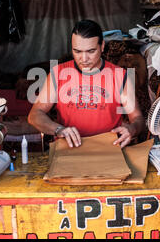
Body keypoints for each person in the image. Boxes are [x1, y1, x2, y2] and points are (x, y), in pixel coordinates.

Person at [28, 19, 145, 148]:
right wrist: (58, 129)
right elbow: (35, 115)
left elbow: (138, 119)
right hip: (69, 148)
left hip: (109, 149)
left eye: (90, 51)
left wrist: (132, 129)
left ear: (102, 47)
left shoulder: (119, 75)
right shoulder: (58, 73)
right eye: (77, 51)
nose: (84, 59)